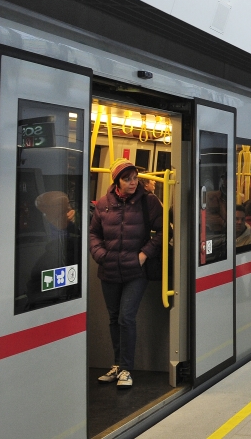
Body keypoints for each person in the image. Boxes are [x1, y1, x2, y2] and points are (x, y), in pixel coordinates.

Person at [89, 158, 163, 389]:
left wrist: (143, 255)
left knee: (126, 317)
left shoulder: (148, 202)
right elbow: (94, 234)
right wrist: (101, 255)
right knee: (113, 318)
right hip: (109, 269)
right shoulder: (103, 204)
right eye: (127, 179)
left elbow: (163, 230)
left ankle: (126, 368)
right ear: (117, 181)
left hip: (135, 271)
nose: (133, 182)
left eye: (135, 178)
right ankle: (117, 364)